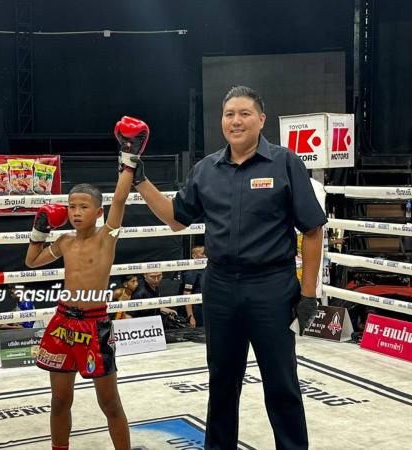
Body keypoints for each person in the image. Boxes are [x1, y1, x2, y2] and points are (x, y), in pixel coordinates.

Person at [132, 85, 326, 449]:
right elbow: (176, 219)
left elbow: (312, 229)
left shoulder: (285, 163)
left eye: (244, 114)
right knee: (221, 382)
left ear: (261, 120)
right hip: (220, 286)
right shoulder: (206, 170)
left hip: (271, 286)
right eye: (229, 114)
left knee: (281, 383)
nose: (236, 121)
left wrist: (308, 293)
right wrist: (139, 179)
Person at [24, 115, 149, 450]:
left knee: (109, 402)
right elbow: (31, 261)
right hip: (62, 322)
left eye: (83, 207)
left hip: (95, 326)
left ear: (97, 212)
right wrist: (39, 230)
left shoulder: (106, 238)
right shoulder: (64, 241)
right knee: (60, 400)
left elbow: (119, 199)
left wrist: (129, 159)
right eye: (71, 207)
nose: (76, 212)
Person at [181, 244, 206, 328]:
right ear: (194, 256)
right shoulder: (191, 272)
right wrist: (190, 316)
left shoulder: (207, 269)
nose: (205, 256)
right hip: (197, 309)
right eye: (202, 254)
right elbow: (187, 294)